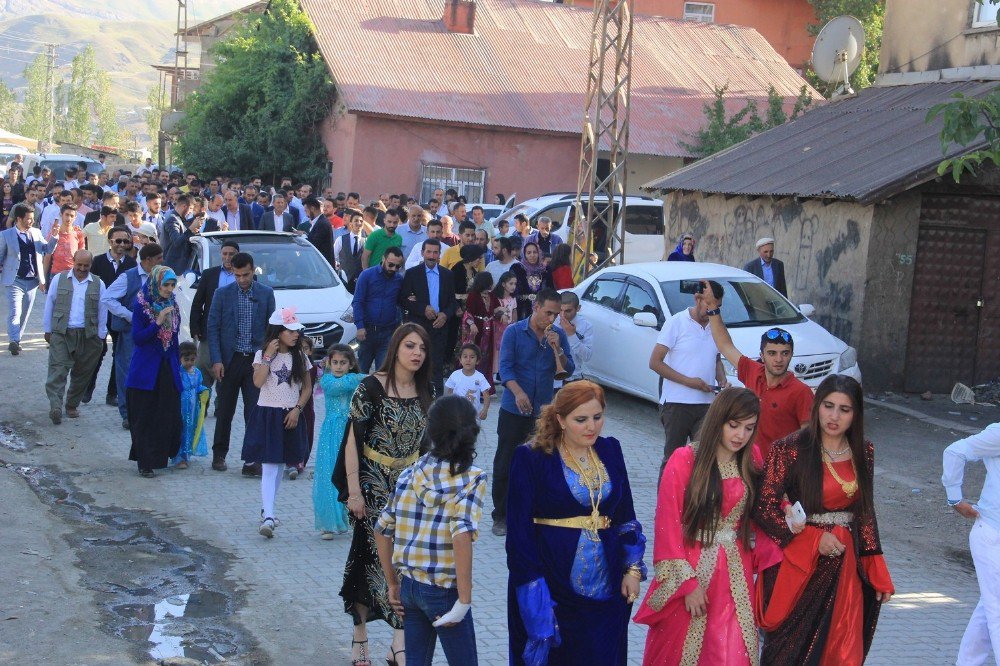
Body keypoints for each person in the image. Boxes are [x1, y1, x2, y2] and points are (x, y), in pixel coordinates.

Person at [753, 375, 894, 665]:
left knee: (840, 646)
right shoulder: (789, 448)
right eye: (828, 406)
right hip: (798, 562)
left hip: (844, 566)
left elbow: (864, 511)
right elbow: (763, 507)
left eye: (845, 409)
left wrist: (875, 565)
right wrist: (814, 539)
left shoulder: (863, 451)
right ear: (817, 406)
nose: (834, 416)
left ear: (856, 415)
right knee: (786, 652)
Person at [634, 388, 779, 664]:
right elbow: (668, 526)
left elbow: (765, 508)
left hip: (737, 575)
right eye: (733, 425)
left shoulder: (752, 458)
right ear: (717, 420)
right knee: (682, 648)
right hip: (691, 567)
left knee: (733, 651)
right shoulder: (685, 459)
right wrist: (687, 585)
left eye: (749, 428)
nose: (740, 435)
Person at [506, 380, 645, 665]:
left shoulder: (610, 450)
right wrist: (534, 590)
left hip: (607, 581)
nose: (591, 427)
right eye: (580, 420)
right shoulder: (532, 457)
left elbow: (626, 515)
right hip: (551, 579)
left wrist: (632, 569)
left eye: (597, 417)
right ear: (560, 419)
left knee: (603, 653)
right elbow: (519, 534)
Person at [333, 323, 434, 666]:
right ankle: (360, 634)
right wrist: (354, 491)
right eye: (410, 346)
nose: (416, 352)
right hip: (372, 484)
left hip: (409, 488)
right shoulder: (371, 387)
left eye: (421, 347)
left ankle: (398, 642)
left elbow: (428, 445)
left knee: (404, 564)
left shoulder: (426, 389)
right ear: (396, 348)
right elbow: (352, 440)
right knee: (369, 560)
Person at [374, 395, 487, 666]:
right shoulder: (472, 479)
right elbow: (461, 536)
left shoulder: (411, 473)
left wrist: (392, 583)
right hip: (445, 590)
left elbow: (381, 529)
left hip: (410, 587)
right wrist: (464, 599)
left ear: (431, 430)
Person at [700, 280, 813, 460]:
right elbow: (725, 345)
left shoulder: (801, 392)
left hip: (780, 473)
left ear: (791, 355)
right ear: (762, 354)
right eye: (772, 353)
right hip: (747, 464)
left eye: (785, 353)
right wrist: (713, 307)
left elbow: (809, 439)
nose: (778, 359)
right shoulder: (753, 371)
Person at [493, 289, 574, 536]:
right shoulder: (514, 332)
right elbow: (504, 369)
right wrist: (518, 393)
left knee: (540, 463)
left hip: (543, 410)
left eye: (555, 314)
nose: (551, 318)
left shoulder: (558, 335)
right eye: (547, 312)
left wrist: (558, 349)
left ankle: (532, 513)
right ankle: (501, 516)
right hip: (513, 410)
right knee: (506, 462)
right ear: (536, 307)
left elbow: (568, 369)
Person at [242, 308, 313, 538]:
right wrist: (266, 358)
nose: (295, 335)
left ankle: (268, 507)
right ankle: (269, 516)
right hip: (268, 415)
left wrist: (297, 410)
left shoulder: (300, 356)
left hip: (290, 415)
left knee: (281, 463)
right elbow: (258, 382)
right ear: (278, 332)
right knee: (270, 465)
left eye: (297, 331)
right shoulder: (262, 354)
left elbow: (307, 387)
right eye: (290, 331)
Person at [207, 252, 277, 475]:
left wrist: (267, 361)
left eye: (246, 275)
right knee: (225, 410)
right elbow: (213, 328)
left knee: (254, 411)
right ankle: (219, 455)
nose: (242, 280)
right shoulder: (222, 294)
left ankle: (252, 459)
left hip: (255, 362)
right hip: (230, 359)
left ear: (253, 270)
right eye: (237, 276)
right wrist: (216, 360)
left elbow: (271, 328)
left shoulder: (266, 294)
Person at [648, 280, 725, 474]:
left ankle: (693, 503)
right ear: (697, 298)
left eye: (717, 306)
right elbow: (655, 362)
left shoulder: (717, 326)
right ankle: (666, 503)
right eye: (709, 304)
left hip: (706, 405)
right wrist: (690, 382)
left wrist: (722, 380)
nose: (712, 310)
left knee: (702, 460)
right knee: (673, 460)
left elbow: (716, 359)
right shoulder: (676, 322)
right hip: (676, 404)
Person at [941, 423, 1000, 665]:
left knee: (989, 608)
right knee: (996, 611)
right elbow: (955, 451)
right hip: (993, 535)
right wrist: (954, 497)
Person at [125, 265, 183, 478]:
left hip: (167, 366)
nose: (169, 289)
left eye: (172, 284)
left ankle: (160, 458)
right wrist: (157, 323)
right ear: (155, 284)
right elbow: (138, 338)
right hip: (145, 370)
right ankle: (144, 462)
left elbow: (174, 339)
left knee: (167, 414)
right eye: (165, 285)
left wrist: (180, 368)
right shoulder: (142, 304)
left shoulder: (173, 305)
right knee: (144, 415)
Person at [41, 250, 108, 424]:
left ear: (91, 265)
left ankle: (71, 405)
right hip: (62, 333)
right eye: (79, 265)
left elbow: (103, 310)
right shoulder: (59, 279)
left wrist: (101, 336)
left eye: (86, 266)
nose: (82, 268)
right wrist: (48, 330)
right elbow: (50, 304)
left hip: (88, 335)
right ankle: (55, 406)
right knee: (58, 369)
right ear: (73, 262)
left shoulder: (98, 283)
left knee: (82, 373)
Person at [102, 243, 164, 429]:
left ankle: (148, 411)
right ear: (148, 260)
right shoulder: (127, 277)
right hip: (132, 332)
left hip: (156, 333)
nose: (162, 261)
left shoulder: (161, 277)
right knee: (128, 370)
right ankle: (128, 413)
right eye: (159, 258)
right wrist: (130, 316)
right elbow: (107, 298)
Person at [314, 344, 365, 540]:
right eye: (334, 362)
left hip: (351, 430)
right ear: (328, 363)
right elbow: (339, 386)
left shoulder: (354, 379)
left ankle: (344, 519)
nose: (338, 366)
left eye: (343, 363)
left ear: (351, 364)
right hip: (331, 432)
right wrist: (361, 377)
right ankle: (327, 524)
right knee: (329, 472)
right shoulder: (327, 380)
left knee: (349, 473)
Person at [399, 238, 457, 396]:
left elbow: (453, 301)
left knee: (436, 365)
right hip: (418, 327)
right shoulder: (412, 274)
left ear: (439, 254)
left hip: (439, 326)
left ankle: (437, 400)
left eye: (435, 252)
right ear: (422, 253)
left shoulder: (447, 275)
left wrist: (445, 314)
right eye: (429, 252)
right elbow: (403, 299)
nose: (432, 256)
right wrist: (422, 308)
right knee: (416, 362)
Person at [86, 226, 136, 405]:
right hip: (99, 314)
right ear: (110, 241)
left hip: (119, 315)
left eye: (126, 241)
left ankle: (112, 393)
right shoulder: (97, 262)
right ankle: (88, 387)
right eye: (118, 241)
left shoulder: (131, 264)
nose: (122, 244)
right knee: (96, 352)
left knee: (120, 354)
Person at [189, 240, 240, 397]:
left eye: (231, 254)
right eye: (225, 254)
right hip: (209, 332)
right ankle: (201, 406)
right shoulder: (209, 274)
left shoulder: (244, 276)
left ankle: (221, 406)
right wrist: (195, 328)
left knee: (227, 373)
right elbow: (198, 302)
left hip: (234, 334)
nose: (228, 257)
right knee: (203, 371)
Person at [0, 203, 49, 355]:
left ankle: (17, 339)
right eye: (28, 219)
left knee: (25, 312)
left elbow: (47, 249)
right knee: (16, 310)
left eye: (33, 219)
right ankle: (14, 340)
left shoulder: (36, 232)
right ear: (19, 219)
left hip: (32, 281)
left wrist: (54, 236)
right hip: (14, 279)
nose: (31, 221)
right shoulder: (5, 235)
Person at [352, 247, 404, 373]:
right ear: (383, 259)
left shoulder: (399, 279)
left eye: (398, 267)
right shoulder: (367, 275)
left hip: (388, 332)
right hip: (367, 331)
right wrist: (360, 326)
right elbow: (357, 301)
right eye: (391, 264)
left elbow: (401, 302)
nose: (393, 269)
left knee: (383, 373)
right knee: (361, 372)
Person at [173, 341, 209, 469]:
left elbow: (198, 386)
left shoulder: (197, 372)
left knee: (190, 430)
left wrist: (204, 390)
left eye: (192, 359)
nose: (189, 362)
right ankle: (178, 456)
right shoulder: (178, 372)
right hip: (181, 407)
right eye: (186, 359)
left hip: (193, 409)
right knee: (180, 430)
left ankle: (186, 454)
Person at [461, 271, 499, 383]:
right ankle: (471, 382)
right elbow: (468, 313)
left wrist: (502, 312)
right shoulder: (473, 296)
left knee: (487, 357)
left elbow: (496, 308)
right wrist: (472, 324)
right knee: (475, 354)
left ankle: (485, 385)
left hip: (490, 329)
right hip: (477, 329)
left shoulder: (491, 295)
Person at [446, 344, 492, 423]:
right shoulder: (455, 375)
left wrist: (485, 410)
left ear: (477, 361)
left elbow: (486, 395)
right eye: (465, 356)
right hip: (456, 416)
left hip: (473, 417)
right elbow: (449, 392)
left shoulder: (480, 377)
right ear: (460, 359)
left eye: (472, 357)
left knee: (471, 434)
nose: (468, 360)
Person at [557, 292, 593, 385]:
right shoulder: (552, 320)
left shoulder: (586, 326)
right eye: (560, 310)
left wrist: (572, 336)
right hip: (552, 378)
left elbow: (587, 357)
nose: (563, 315)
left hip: (573, 377)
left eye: (568, 311)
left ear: (578, 309)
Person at [162, 194, 201, 273]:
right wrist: (191, 229)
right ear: (184, 206)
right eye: (190, 208)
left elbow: (184, 238)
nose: (190, 212)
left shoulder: (180, 219)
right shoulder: (172, 219)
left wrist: (193, 232)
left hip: (182, 268)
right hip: (173, 268)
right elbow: (176, 242)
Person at [44, 204, 86, 276]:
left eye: (72, 216)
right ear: (61, 215)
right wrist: (43, 278)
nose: (69, 218)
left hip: (73, 274)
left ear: (75, 217)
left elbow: (81, 256)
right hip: (55, 273)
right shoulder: (54, 233)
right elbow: (47, 257)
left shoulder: (78, 234)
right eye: (66, 215)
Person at [517, 241, 553, 319]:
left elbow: (551, 289)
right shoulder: (518, 269)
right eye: (529, 253)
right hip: (523, 310)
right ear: (524, 254)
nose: (532, 255)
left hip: (543, 309)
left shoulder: (546, 270)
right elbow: (514, 292)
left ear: (539, 253)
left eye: (535, 252)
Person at [492, 271, 518, 378]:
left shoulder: (513, 299)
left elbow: (514, 313)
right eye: (510, 283)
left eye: (515, 284)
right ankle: (495, 372)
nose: (513, 286)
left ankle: (502, 372)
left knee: (507, 349)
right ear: (503, 284)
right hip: (497, 328)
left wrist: (514, 325)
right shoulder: (496, 298)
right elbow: (493, 312)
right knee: (496, 350)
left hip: (508, 328)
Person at [333, 210, 367, 291]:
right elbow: (334, 257)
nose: (358, 223)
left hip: (360, 281)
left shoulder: (366, 241)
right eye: (356, 220)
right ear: (350, 223)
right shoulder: (340, 239)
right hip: (344, 281)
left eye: (361, 221)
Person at [302, 196, 335, 267]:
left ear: (312, 209)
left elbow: (313, 244)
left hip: (323, 267)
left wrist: (303, 236)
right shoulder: (319, 222)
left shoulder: (322, 224)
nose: (306, 214)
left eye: (306, 210)